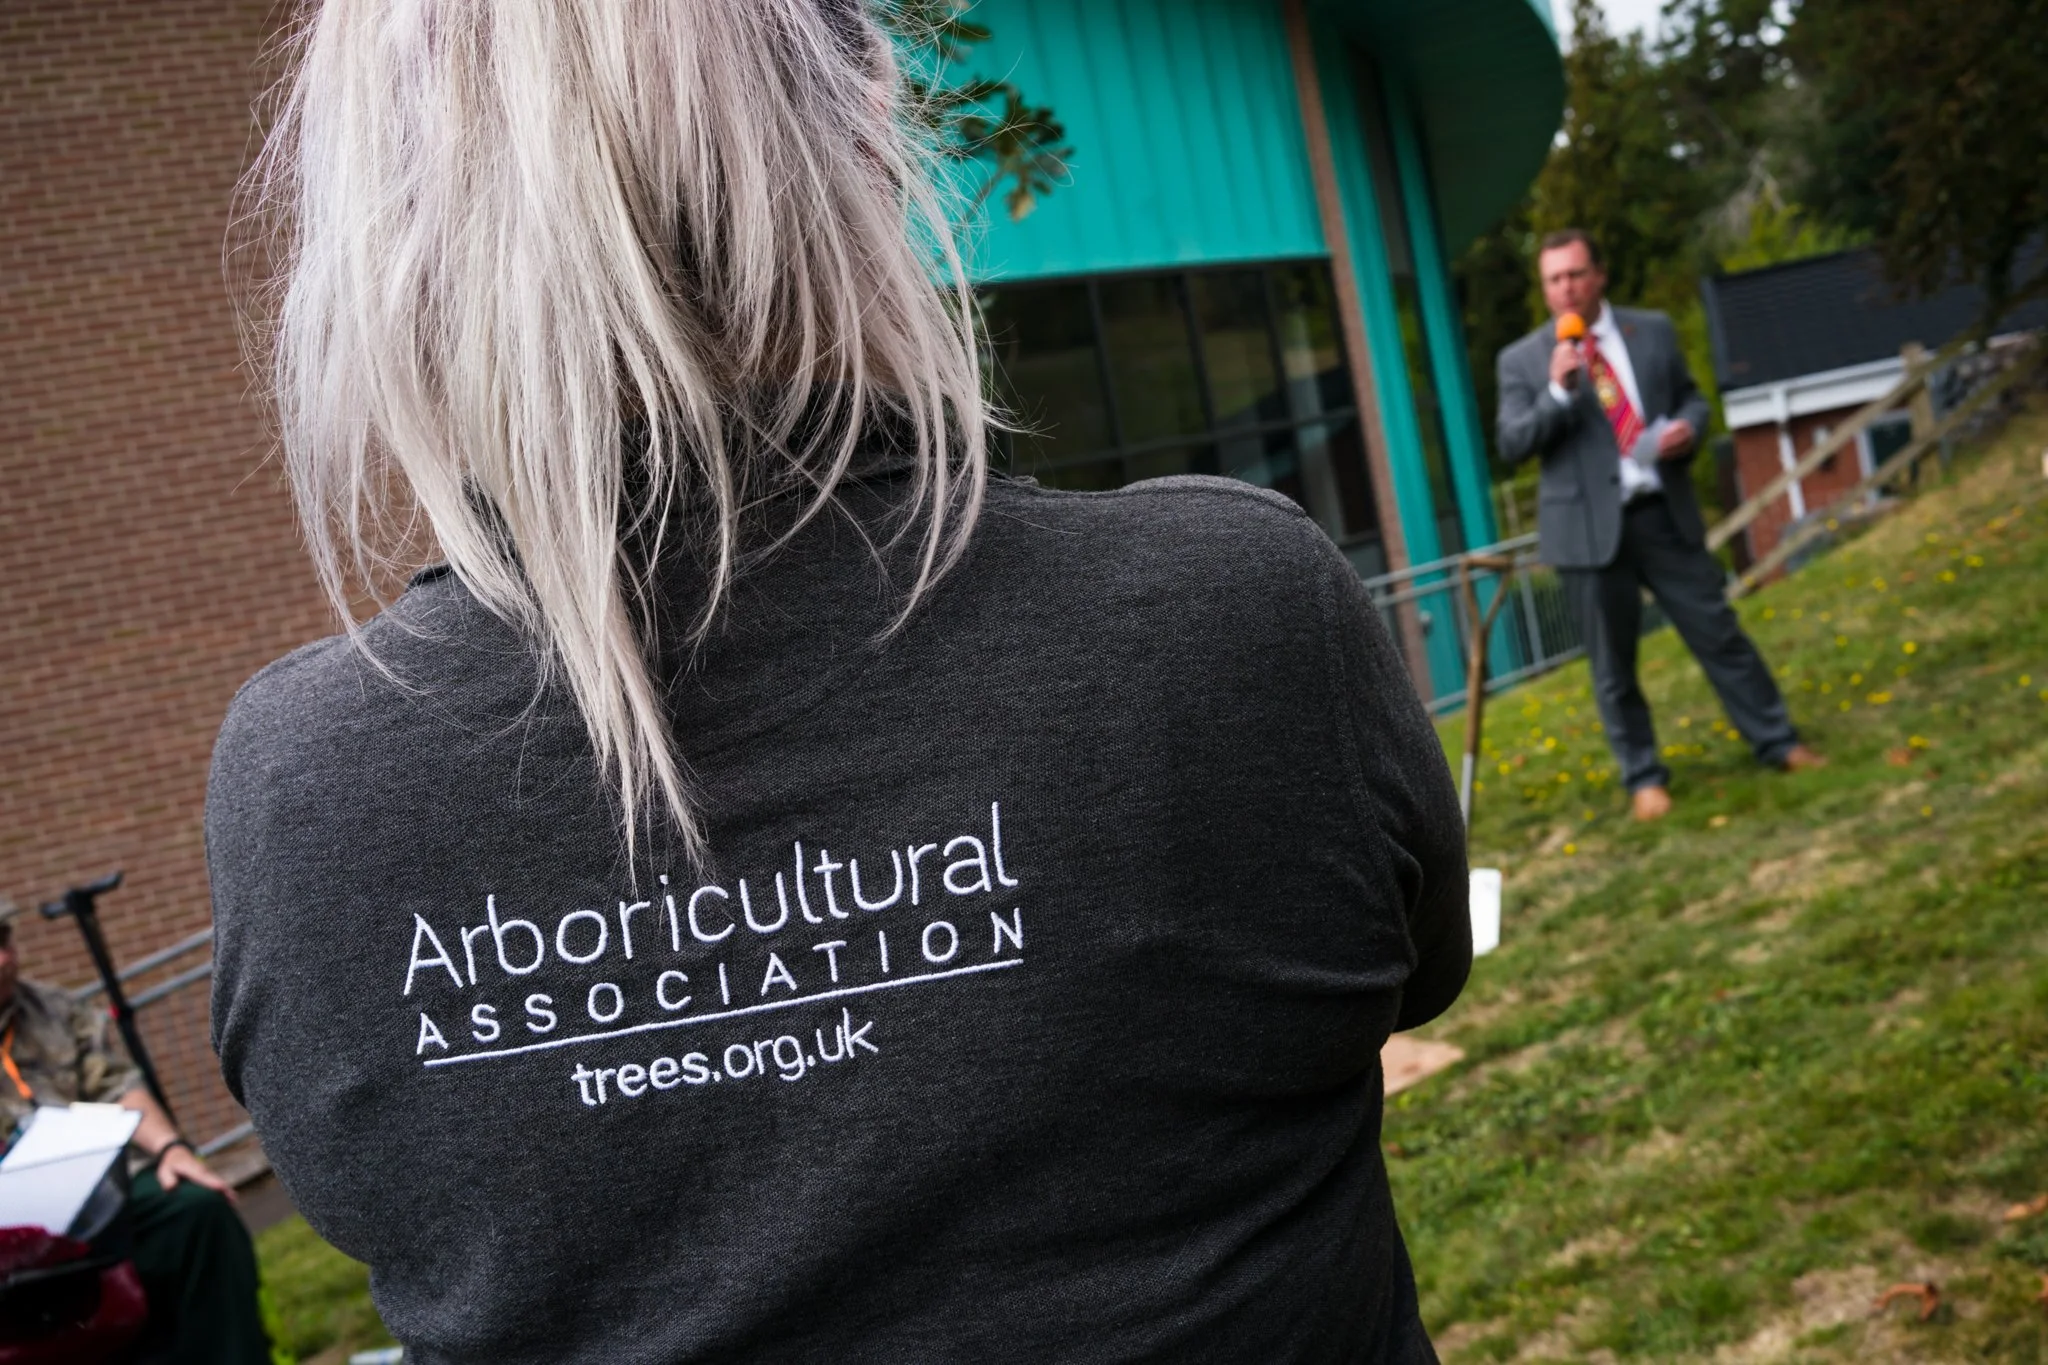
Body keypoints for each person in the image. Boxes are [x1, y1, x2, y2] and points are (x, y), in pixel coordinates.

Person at [205, 2, 1470, 1362]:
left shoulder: (299, 787)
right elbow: (1421, 966)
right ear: (872, 129)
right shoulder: (1232, 618)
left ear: (379, 231)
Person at [1495, 228, 1823, 820]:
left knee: (1720, 634)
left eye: (1575, 274)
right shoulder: (1522, 360)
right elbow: (1514, 441)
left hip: (1661, 517)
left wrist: (1689, 430)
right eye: (1553, 280)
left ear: (1599, 275)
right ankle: (1644, 777)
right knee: (1613, 668)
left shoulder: (1654, 332)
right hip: (1589, 536)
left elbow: (1694, 400)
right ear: (1544, 289)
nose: (1565, 289)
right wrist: (1556, 391)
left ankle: (1779, 741)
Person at [0, 901, 271, 1364]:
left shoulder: (56, 1008)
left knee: (196, 1210)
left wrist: (172, 1149)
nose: (3, 958)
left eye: (3, 941)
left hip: (88, 1190)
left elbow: (119, 1086)